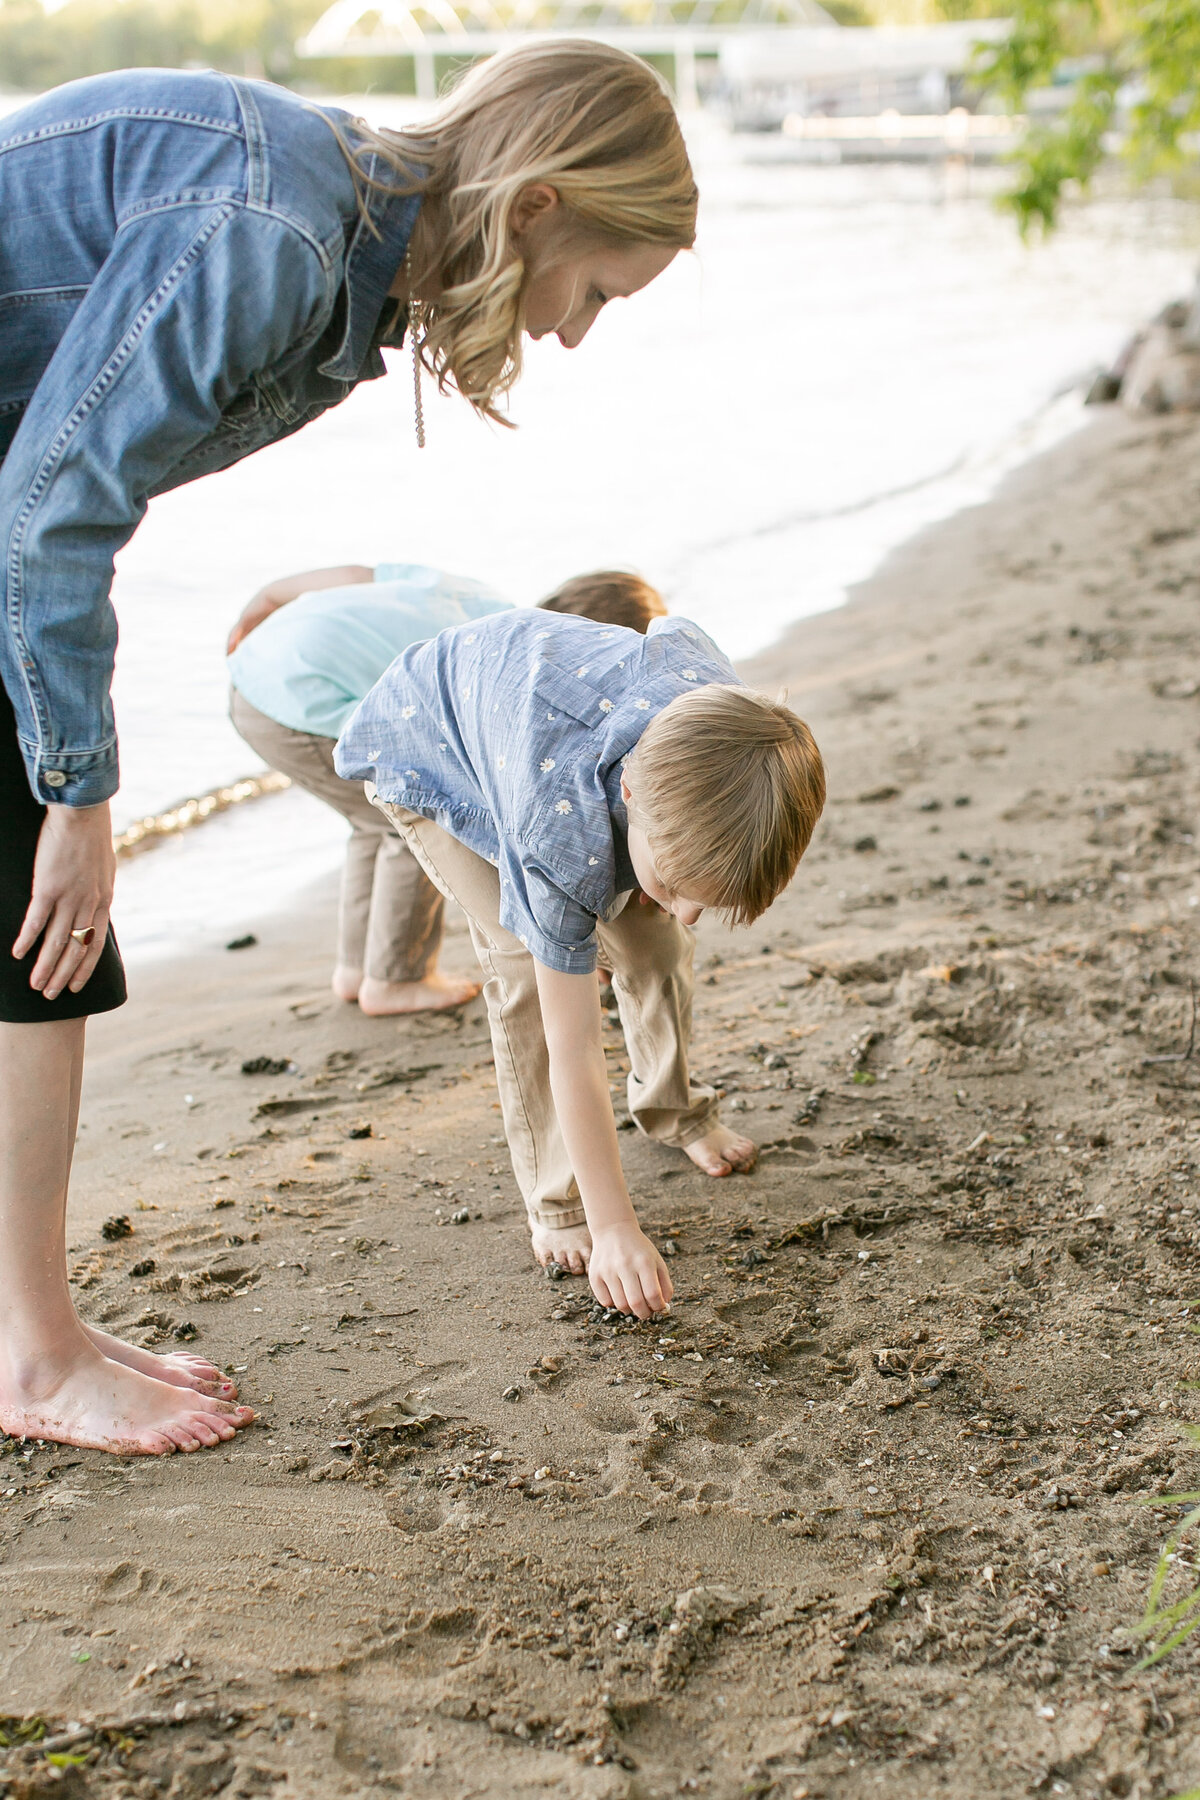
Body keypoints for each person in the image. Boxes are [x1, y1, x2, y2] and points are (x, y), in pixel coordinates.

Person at [0, 44, 697, 1456]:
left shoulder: (338, 251)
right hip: (15, 537)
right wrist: (79, 787)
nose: (572, 335)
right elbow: (55, 503)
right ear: (539, 206)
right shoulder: (280, 229)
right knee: (45, 924)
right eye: (597, 292)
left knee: (36, 942)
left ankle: (32, 1332)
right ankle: (32, 1355)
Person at [336, 609, 826, 1320]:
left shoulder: (725, 730)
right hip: (431, 746)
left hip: (536, 730)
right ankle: (556, 1198)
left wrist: (659, 893)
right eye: (679, 886)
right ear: (631, 796)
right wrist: (614, 1228)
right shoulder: (562, 836)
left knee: (656, 944)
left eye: (706, 899)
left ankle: (677, 1111)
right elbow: (575, 1050)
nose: (690, 911)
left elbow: (670, 626)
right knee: (525, 975)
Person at [225, 562, 666, 1015]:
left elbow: (358, 573)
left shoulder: (478, 597)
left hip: (254, 675)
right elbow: (493, 804)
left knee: (369, 822)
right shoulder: (522, 679)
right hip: (301, 697)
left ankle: (356, 970)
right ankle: (395, 978)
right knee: (414, 808)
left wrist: (267, 598)